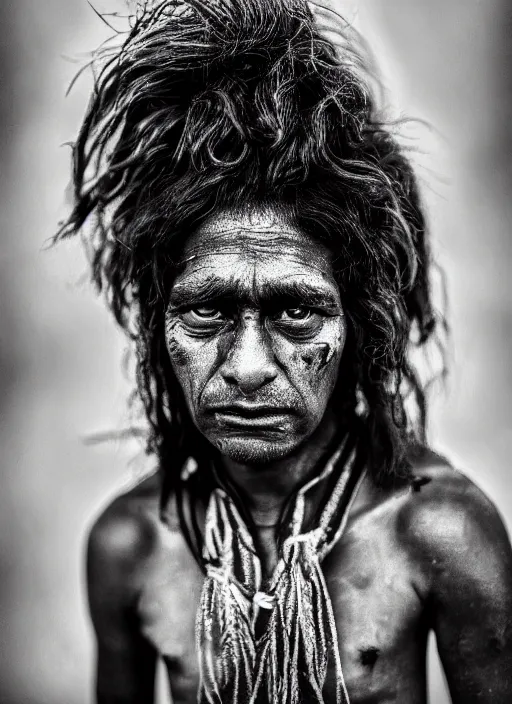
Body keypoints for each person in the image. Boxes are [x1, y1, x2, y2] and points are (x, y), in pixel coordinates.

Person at [57, 1, 512, 702]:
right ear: (158, 331)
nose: (245, 367)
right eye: (206, 310)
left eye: (297, 312)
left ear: (359, 329)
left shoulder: (439, 531)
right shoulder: (132, 546)